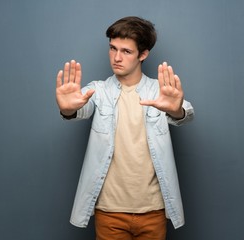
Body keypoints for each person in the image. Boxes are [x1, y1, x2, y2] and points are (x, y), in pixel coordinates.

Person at [56, 16, 194, 240]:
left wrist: (176, 110)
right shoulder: (97, 91)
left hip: (153, 210)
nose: (116, 58)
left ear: (143, 54)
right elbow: (81, 108)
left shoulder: (160, 91)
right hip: (109, 211)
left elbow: (185, 114)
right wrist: (68, 109)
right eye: (112, 48)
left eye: (126, 51)